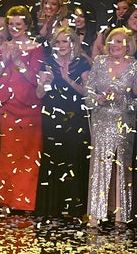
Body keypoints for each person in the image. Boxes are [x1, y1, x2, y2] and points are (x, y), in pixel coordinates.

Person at [0, 5, 45, 212]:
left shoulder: (36, 48)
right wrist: (4, 61)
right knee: (9, 151)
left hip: (29, 105)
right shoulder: (1, 48)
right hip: (8, 104)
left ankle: (24, 201)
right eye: (11, 24)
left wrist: (18, 61)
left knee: (28, 151)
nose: (15, 28)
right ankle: (5, 199)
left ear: (27, 25)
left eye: (19, 24)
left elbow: (35, 79)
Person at [34, 27, 91, 218]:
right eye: (57, 42)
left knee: (72, 158)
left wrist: (67, 79)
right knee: (53, 157)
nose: (61, 46)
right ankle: (52, 207)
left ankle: (73, 207)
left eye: (65, 41)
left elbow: (87, 93)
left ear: (73, 43)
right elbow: (40, 94)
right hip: (52, 116)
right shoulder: (48, 63)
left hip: (74, 118)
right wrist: (43, 83)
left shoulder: (81, 63)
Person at [85, 27, 137, 227]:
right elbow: (88, 93)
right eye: (112, 41)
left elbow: (136, 102)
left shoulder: (134, 66)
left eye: (120, 42)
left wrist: (121, 99)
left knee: (121, 165)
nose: (115, 45)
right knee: (99, 164)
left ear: (128, 46)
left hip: (123, 121)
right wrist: (98, 99)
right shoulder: (99, 62)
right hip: (101, 120)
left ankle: (121, 216)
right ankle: (95, 215)